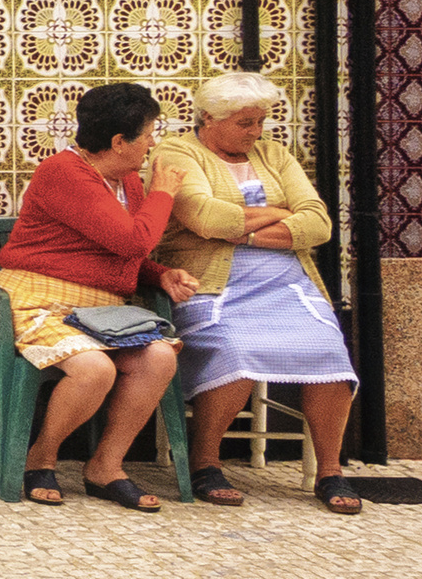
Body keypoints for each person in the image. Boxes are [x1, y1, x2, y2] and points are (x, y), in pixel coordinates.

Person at [149, 72, 363, 515]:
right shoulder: (177, 152)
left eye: (260, 121)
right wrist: (281, 213)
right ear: (209, 118)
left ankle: (329, 470)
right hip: (210, 283)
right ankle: (206, 462)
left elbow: (318, 223)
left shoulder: (274, 154)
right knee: (237, 350)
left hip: (287, 284)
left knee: (329, 351)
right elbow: (205, 218)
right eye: (245, 122)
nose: (256, 131)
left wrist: (243, 230)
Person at [0, 81, 196, 510]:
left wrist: (160, 275)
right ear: (118, 142)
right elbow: (132, 241)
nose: (152, 144)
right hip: (35, 301)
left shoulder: (126, 180)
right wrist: (164, 193)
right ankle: (40, 458)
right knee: (94, 369)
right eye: (148, 135)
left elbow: (117, 250)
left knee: (159, 358)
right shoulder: (63, 173)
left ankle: (105, 466)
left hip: (101, 311)